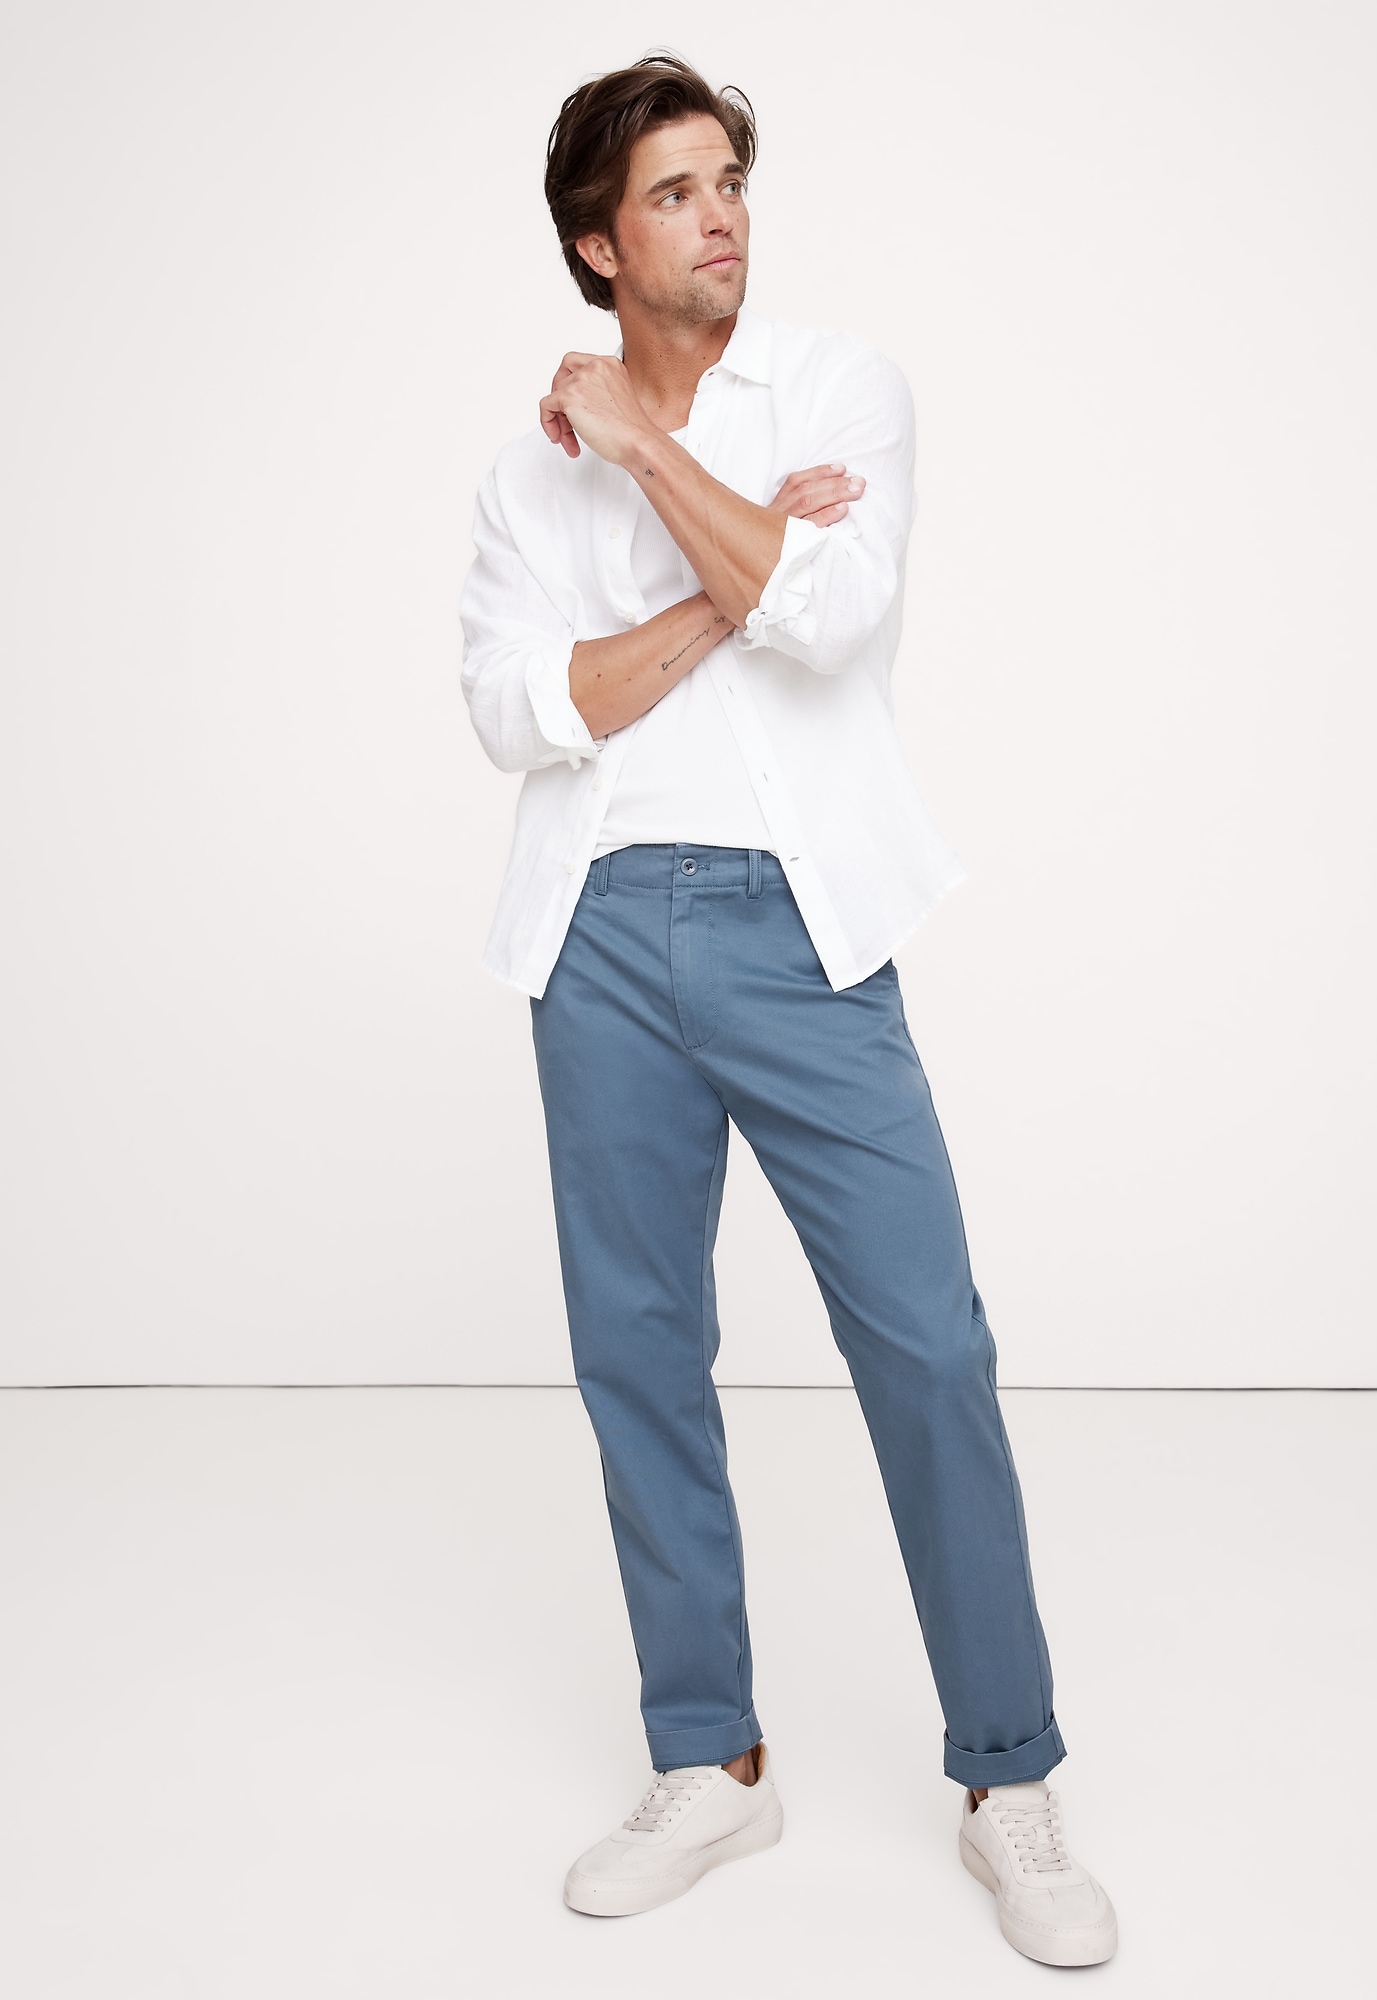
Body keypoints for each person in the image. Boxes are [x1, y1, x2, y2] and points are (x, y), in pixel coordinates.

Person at [458, 52, 1117, 1967]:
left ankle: (1008, 1777)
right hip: (597, 931)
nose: (722, 215)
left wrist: (654, 457)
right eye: (675, 192)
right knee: (638, 1353)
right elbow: (521, 711)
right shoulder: (521, 478)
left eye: (729, 180)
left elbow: (830, 614)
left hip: (800, 928)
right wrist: (727, 558)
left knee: (927, 1343)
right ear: (601, 243)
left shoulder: (838, 392)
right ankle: (709, 1762)